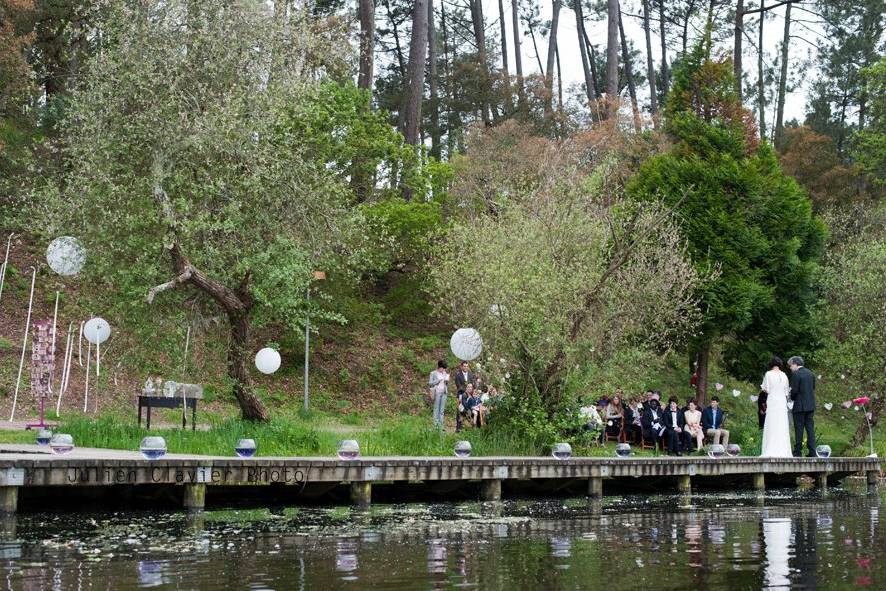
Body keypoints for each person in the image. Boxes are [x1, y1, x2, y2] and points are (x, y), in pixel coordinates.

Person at [760, 356, 792, 458]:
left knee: (772, 423)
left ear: (771, 364)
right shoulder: (784, 375)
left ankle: (770, 448)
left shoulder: (768, 374)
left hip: (773, 400)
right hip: (782, 402)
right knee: (781, 424)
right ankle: (783, 449)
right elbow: (786, 392)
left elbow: (765, 389)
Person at [788, 356, 817, 457]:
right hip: (810, 405)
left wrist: (791, 397)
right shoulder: (811, 373)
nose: (790, 368)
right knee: (810, 428)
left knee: (799, 428)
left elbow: (794, 391)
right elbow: (812, 388)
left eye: (791, 365)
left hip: (800, 405)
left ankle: (797, 452)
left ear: (796, 364)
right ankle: (813, 452)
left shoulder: (796, 374)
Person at [454, 361, 476, 432]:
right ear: (461, 366)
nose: (466, 367)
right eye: (464, 366)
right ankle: (458, 428)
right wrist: (467, 390)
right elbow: (458, 386)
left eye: (467, 366)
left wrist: (471, 390)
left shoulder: (471, 374)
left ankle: (469, 427)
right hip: (461, 395)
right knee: (460, 410)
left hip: (469, 395)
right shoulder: (458, 375)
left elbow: (473, 384)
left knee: (469, 410)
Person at [428, 360, 450, 430]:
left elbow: (446, 383)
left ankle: (441, 425)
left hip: (444, 392)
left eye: (444, 369)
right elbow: (430, 383)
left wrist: (447, 381)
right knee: (436, 409)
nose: (443, 370)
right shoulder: (433, 373)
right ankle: (435, 425)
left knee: (442, 410)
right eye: (443, 368)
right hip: (437, 392)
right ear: (439, 367)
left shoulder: (445, 373)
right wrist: (437, 381)